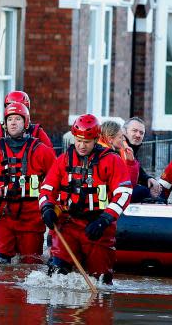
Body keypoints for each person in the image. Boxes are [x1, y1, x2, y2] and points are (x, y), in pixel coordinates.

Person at [39, 114, 132, 283]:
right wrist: (46, 208)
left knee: (101, 280)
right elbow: (47, 189)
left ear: (96, 139)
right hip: (68, 225)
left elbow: (124, 193)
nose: (81, 146)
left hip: (98, 227)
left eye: (87, 142)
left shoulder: (112, 161)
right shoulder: (63, 160)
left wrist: (105, 219)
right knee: (56, 274)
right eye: (78, 140)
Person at [0, 101, 56, 263]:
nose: (13, 122)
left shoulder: (42, 151)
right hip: (2, 217)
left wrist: (51, 212)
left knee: (30, 265)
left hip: (32, 220)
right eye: (10, 119)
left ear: (26, 123)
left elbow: (56, 182)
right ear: (5, 124)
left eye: (17, 119)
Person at [123, 117, 162, 202]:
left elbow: (138, 170)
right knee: (144, 192)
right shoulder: (120, 148)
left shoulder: (131, 148)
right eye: (134, 130)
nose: (138, 135)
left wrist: (148, 179)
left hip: (123, 191)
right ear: (124, 131)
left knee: (157, 190)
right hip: (114, 195)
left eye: (141, 133)